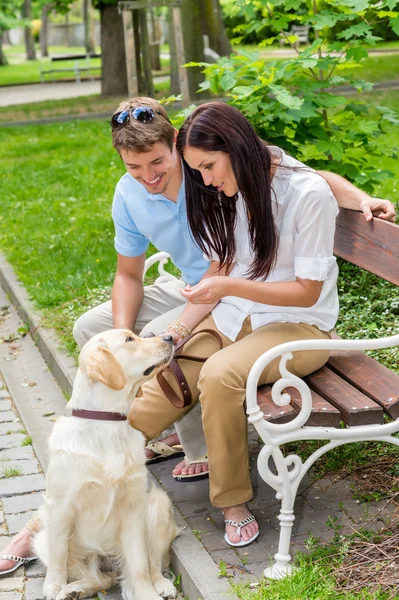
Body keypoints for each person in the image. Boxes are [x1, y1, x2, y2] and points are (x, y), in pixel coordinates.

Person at [0, 98, 396, 573]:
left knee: (221, 374)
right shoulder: (231, 185)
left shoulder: (300, 191)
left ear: (236, 148)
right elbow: (222, 262)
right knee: (155, 385)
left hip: (300, 324)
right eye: (198, 169)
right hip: (236, 315)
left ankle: (231, 502)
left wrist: (359, 200)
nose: (204, 179)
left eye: (208, 166)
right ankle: (44, 520)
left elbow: (305, 287)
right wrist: (178, 331)